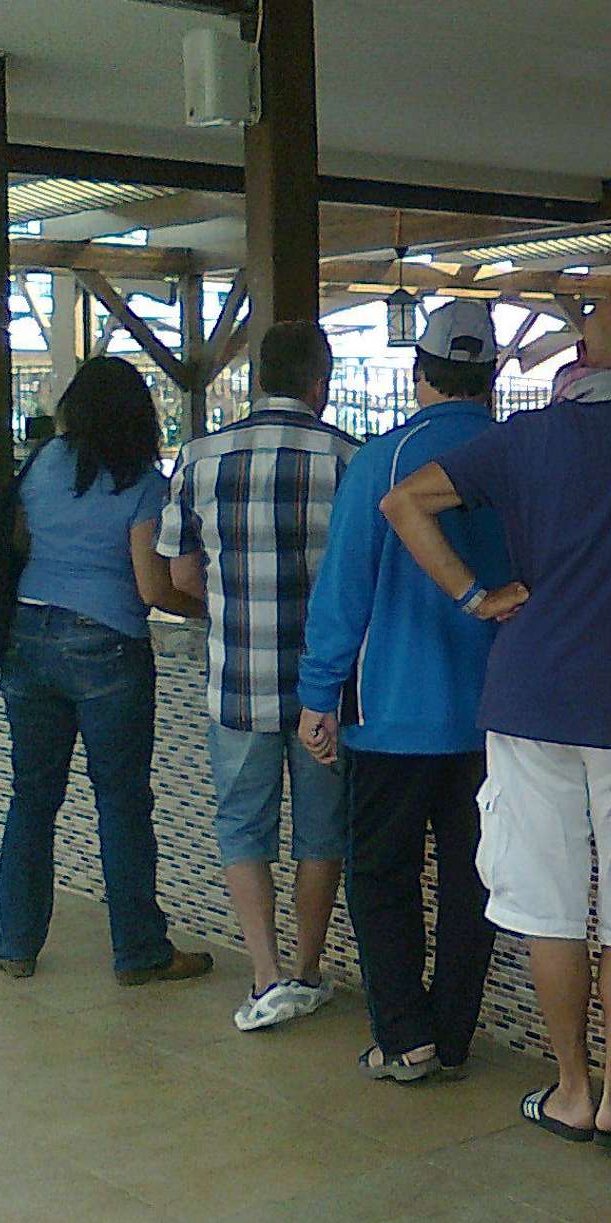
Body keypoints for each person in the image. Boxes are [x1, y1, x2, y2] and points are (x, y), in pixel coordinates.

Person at [381, 293, 611, 1148]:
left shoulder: (525, 439)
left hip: (530, 695)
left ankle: (570, 1088)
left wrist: (474, 596)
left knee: (549, 904)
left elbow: (404, 503)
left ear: (582, 355)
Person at [295, 300, 511, 1082]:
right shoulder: (516, 459)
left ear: (420, 373)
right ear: (490, 377)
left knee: (382, 877)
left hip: (390, 714)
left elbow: (343, 591)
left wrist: (318, 694)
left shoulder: (384, 461)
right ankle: (450, 1036)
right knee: (472, 882)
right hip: (496, 719)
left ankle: (404, 1036)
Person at [159, 320, 359, 1032]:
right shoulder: (346, 458)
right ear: (320, 381)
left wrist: (230, 603)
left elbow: (180, 574)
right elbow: (364, 579)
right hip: (325, 693)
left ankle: (265, 975)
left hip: (237, 682)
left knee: (242, 828)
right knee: (321, 831)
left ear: (256, 378)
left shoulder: (199, 457)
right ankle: (307, 969)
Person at [0, 355, 212, 984]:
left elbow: (20, 546)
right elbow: (152, 588)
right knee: (121, 802)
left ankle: (16, 944)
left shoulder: (42, 463)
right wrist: (209, 608)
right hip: (106, 647)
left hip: (27, 636)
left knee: (32, 797)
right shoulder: (142, 482)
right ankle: (139, 951)